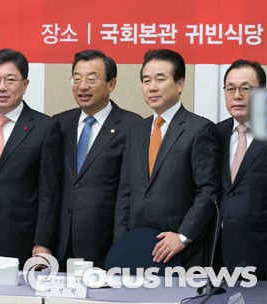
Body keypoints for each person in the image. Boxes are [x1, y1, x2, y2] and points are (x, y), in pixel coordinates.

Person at [114, 49, 219, 267]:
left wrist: (183, 236)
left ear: (180, 84)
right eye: (146, 80)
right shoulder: (136, 131)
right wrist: (121, 243)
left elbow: (208, 191)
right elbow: (125, 192)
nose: (152, 87)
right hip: (136, 245)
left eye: (160, 79)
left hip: (180, 250)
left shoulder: (199, 129)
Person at [0, 49, 63, 266]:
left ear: (25, 85)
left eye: (10, 80)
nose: (2, 87)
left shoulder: (45, 127)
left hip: (20, 238)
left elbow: (49, 192)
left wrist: (43, 242)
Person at [53, 50, 142, 269]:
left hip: (105, 244)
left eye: (91, 79)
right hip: (60, 244)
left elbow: (132, 191)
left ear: (111, 84)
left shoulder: (133, 126)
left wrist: (122, 244)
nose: (82, 86)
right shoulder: (59, 124)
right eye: (76, 79)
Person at [215, 60, 266, 278]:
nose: (237, 96)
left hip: (261, 258)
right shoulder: (215, 134)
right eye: (230, 89)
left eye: (246, 88)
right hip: (216, 257)